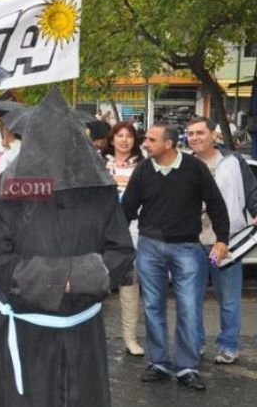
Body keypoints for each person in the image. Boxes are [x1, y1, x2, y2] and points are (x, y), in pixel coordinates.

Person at [0, 89, 135, 406]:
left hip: (83, 329)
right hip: (27, 329)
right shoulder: (12, 187)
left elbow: (121, 250)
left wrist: (79, 277)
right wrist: (56, 278)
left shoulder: (98, 188)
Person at [122, 123, 230, 391]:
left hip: (187, 249)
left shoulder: (195, 169)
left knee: (189, 309)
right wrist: (115, 242)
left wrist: (222, 239)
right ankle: (158, 363)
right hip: (149, 247)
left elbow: (217, 205)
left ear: (168, 144)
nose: (145, 143)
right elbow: (126, 209)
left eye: (151, 139)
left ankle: (186, 367)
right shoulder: (144, 170)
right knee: (153, 308)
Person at [187, 116, 257, 364]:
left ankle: (229, 345)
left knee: (228, 298)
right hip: (193, 242)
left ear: (213, 135)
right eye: (191, 133)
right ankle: (195, 344)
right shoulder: (184, 164)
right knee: (190, 299)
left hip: (225, 241)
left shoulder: (233, 161)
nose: (194, 137)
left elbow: (251, 189)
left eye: (200, 132)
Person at [102, 122, 146, 356]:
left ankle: (130, 338)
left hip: (134, 230)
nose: (124, 140)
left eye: (129, 136)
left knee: (130, 284)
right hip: (103, 231)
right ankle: (91, 337)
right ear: (112, 139)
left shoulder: (144, 165)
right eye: (119, 135)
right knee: (96, 283)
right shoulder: (99, 164)